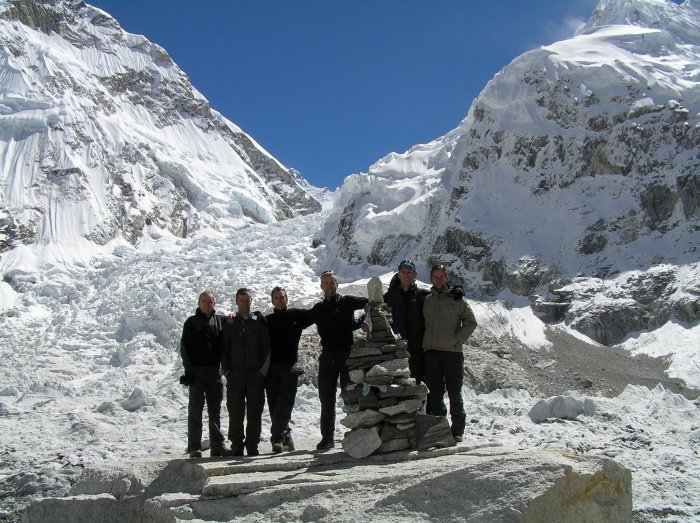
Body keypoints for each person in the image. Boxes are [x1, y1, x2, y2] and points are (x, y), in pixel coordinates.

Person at [310, 271, 368, 450]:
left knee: (350, 396)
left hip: (346, 355)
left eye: (332, 282)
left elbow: (369, 302)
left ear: (337, 284)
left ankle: (357, 433)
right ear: (321, 286)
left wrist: (362, 321)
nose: (329, 285)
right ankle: (327, 437)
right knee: (326, 399)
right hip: (327, 356)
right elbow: (299, 319)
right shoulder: (318, 309)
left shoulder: (347, 301)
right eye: (325, 283)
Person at [422, 264, 478, 443]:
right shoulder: (427, 300)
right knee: (435, 395)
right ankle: (441, 430)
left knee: (455, 393)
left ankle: (457, 431)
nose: (438, 280)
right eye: (435, 277)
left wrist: (457, 340)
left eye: (441, 277)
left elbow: (471, 322)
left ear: (447, 278)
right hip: (431, 353)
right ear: (431, 279)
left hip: (452, 353)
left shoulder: (457, 299)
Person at [179, 291, 232, 458]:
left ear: (214, 304)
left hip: (215, 372)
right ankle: (194, 447)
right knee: (195, 410)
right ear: (198, 303)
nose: (207, 304)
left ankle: (217, 446)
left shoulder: (220, 320)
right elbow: (185, 348)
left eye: (210, 302)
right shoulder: (191, 323)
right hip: (197, 373)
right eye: (204, 301)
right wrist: (189, 371)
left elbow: (232, 321)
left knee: (215, 410)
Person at [222, 288, 271, 456]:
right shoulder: (229, 324)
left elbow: (266, 348)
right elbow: (224, 348)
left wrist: (262, 372)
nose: (244, 303)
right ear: (236, 302)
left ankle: (252, 445)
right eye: (241, 300)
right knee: (235, 411)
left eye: (247, 300)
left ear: (251, 301)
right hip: (235, 374)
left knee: (255, 411)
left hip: (254, 374)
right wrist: (227, 371)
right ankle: (236, 445)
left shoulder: (258, 323)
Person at [265, 286, 314, 453]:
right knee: (274, 404)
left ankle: (277, 439)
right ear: (272, 301)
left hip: (290, 367)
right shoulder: (267, 320)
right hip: (271, 369)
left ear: (287, 299)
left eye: (282, 297)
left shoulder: (296, 315)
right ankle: (287, 438)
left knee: (285, 403)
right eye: (276, 297)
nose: (280, 300)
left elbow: (316, 314)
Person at [383, 259, 430, 386]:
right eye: (403, 272)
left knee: (418, 385)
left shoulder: (422, 296)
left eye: (409, 272)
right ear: (398, 274)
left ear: (415, 275)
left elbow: (441, 293)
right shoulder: (388, 297)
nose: (406, 275)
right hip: (396, 350)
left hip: (417, 350)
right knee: (399, 387)